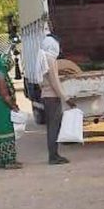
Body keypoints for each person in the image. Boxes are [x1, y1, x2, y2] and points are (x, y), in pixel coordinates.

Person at [35, 33, 76, 165]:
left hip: (45, 96)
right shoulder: (50, 59)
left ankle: (54, 155)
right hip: (52, 97)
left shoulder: (41, 57)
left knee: (51, 127)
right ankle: (53, 156)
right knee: (54, 127)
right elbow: (55, 82)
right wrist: (65, 98)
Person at [0, 50, 22, 169]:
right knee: (4, 133)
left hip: (1, 106)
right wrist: (13, 106)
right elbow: (4, 94)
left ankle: (6, 159)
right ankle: (8, 161)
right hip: (1, 107)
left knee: (6, 132)